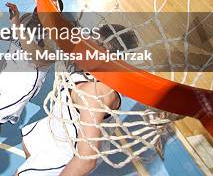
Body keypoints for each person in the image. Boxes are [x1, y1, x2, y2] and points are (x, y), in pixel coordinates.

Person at [15, 25, 139, 176]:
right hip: (55, 129)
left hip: (66, 153)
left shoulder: (96, 93)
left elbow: (86, 160)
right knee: (29, 148)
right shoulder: (88, 68)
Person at [0, 0, 64, 171]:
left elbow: (37, 57)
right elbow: (14, 34)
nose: (38, 11)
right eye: (40, 6)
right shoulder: (25, 19)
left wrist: (16, 24)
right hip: (9, 67)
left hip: (24, 84)